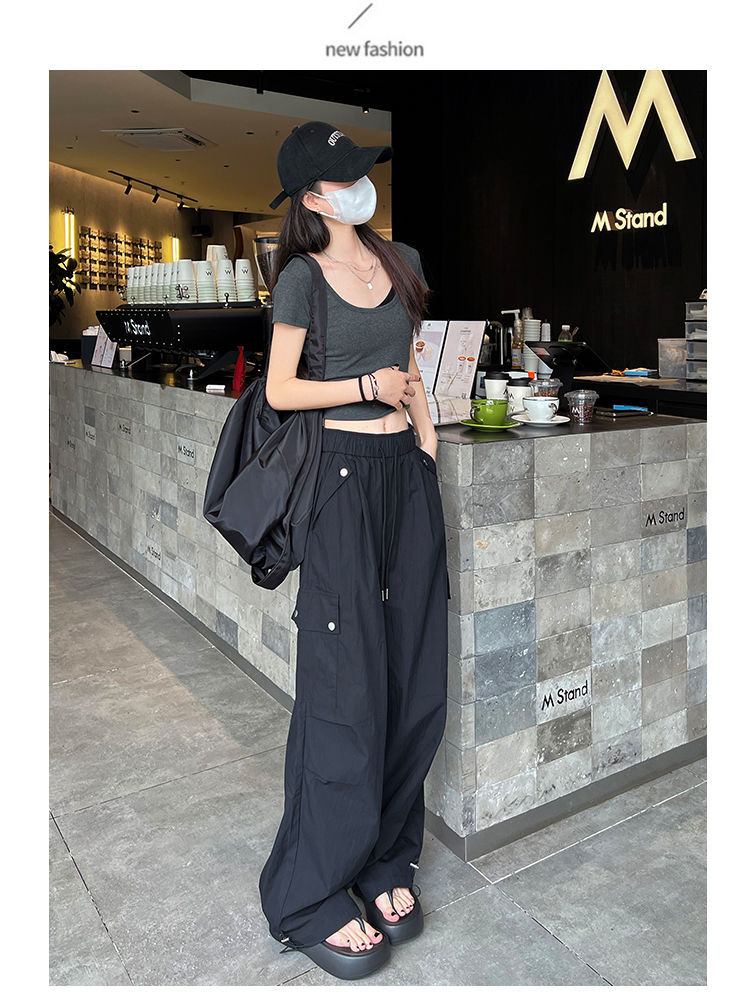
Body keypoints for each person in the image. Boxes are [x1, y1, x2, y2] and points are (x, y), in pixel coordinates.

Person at [257, 121, 449, 981]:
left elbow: (411, 362)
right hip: (337, 479)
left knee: (414, 673)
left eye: (363, 172)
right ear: (312, 198)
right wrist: (365, 388)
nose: (362, 185)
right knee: (345, 687)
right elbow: (280, 389)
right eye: (345, 177)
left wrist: (425, 441)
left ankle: (384, 857)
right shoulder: (300, 277)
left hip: (404, 474)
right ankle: (310, 894)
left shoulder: (400, 259)